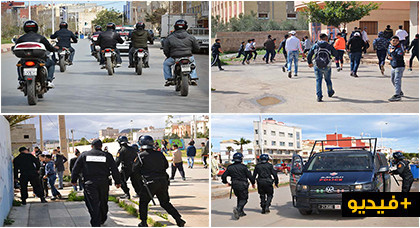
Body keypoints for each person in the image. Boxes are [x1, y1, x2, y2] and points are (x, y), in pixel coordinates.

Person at [133, 135, 186, 227]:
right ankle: (178, 219)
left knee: (143, 203)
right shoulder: (159, 154)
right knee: (165, 203)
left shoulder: (141, 156)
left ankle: (144, 222)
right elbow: (165, 165)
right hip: (163, 182)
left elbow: (134, 170)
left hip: (150, 183)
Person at [71, 139, 122, 227]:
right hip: (103, 182)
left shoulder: (84, 155)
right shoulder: (107, 155)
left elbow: (75, 169)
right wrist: (117, 181)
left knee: (92, 203)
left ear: (91, 146)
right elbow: (114, 169)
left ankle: (96, 222)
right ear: (101, 146)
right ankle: (102, 218)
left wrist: (73, 180)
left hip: (89, 183)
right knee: (103, 201)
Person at [14, 20, 56, 88]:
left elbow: (14, 48)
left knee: (19, 64)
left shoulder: (21, 38)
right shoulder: (41, 38)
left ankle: (21, 81)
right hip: (39, 59)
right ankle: (48, 81)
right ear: (36, 28)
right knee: (51, 63)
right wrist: (55, 49)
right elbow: (50, 48)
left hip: (25, 60)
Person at [163, 19, 199, 86]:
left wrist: (168, 56)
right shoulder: (191, 37)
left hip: (175, 57)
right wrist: (191, 52)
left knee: (166, 64)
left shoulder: (170, 37)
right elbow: (196, 48)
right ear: (185, 27)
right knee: (192, 64)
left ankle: (169, 79)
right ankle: (193, 77)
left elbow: (166, 49)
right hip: (188, 56)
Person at [221, 153, 255, 220]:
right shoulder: (244, 167)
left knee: (239, 197)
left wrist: (225, 182)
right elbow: (250, 176)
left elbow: (223, 176)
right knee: (244, 199)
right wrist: (253, 183)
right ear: (241, 159)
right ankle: (238, 209)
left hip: (234, 184)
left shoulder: (230, 167)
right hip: (243, 184)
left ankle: (241, 212)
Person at [307, 33, 338, 102]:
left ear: (319, 38)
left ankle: (319, 96)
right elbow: (335, 54)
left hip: (317, 65)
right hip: (327, 65)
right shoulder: (329, 45)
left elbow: (309, 54)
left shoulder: (316, 45)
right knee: (328, 80)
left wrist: (309, 62)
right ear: (326, 38)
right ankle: (330, 92)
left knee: (318, 80)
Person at [387, 36, 406, 102]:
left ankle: (397, 95)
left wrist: (392, 54)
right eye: (393, 40)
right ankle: (399, 91)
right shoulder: (390, 47)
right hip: (393, 66)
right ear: (390, 41)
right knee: (392, 80)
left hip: (399, 66)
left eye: (396, 41)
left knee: (397, 80)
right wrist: (388, 57)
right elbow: (388, 55)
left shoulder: (399, 49)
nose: (394, 42)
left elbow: (399, 57)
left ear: (398, 42)